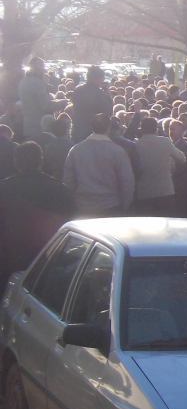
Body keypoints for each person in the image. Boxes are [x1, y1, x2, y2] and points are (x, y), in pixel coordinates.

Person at [0, 141, 75, 291]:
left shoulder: (4, 188)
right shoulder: (57, 188)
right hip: (46, 254)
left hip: (9, 254)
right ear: (41, 160)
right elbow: (69, 221)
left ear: (17, 162)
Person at [62, 113, 135, 217]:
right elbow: (127, 181)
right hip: (111, 205)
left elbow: (68, 180)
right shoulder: (117, 151)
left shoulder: (76, 150)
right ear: (109, 128)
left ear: (91, 127)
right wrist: (125, 206)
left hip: (83, 206)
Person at [132, 115, 187, 216]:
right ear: (156, 128)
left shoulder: (136, 145)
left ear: (142, 129)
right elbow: (182, 158)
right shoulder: (165, 142)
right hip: (165, 190)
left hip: (144, 191)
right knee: (166, 223)